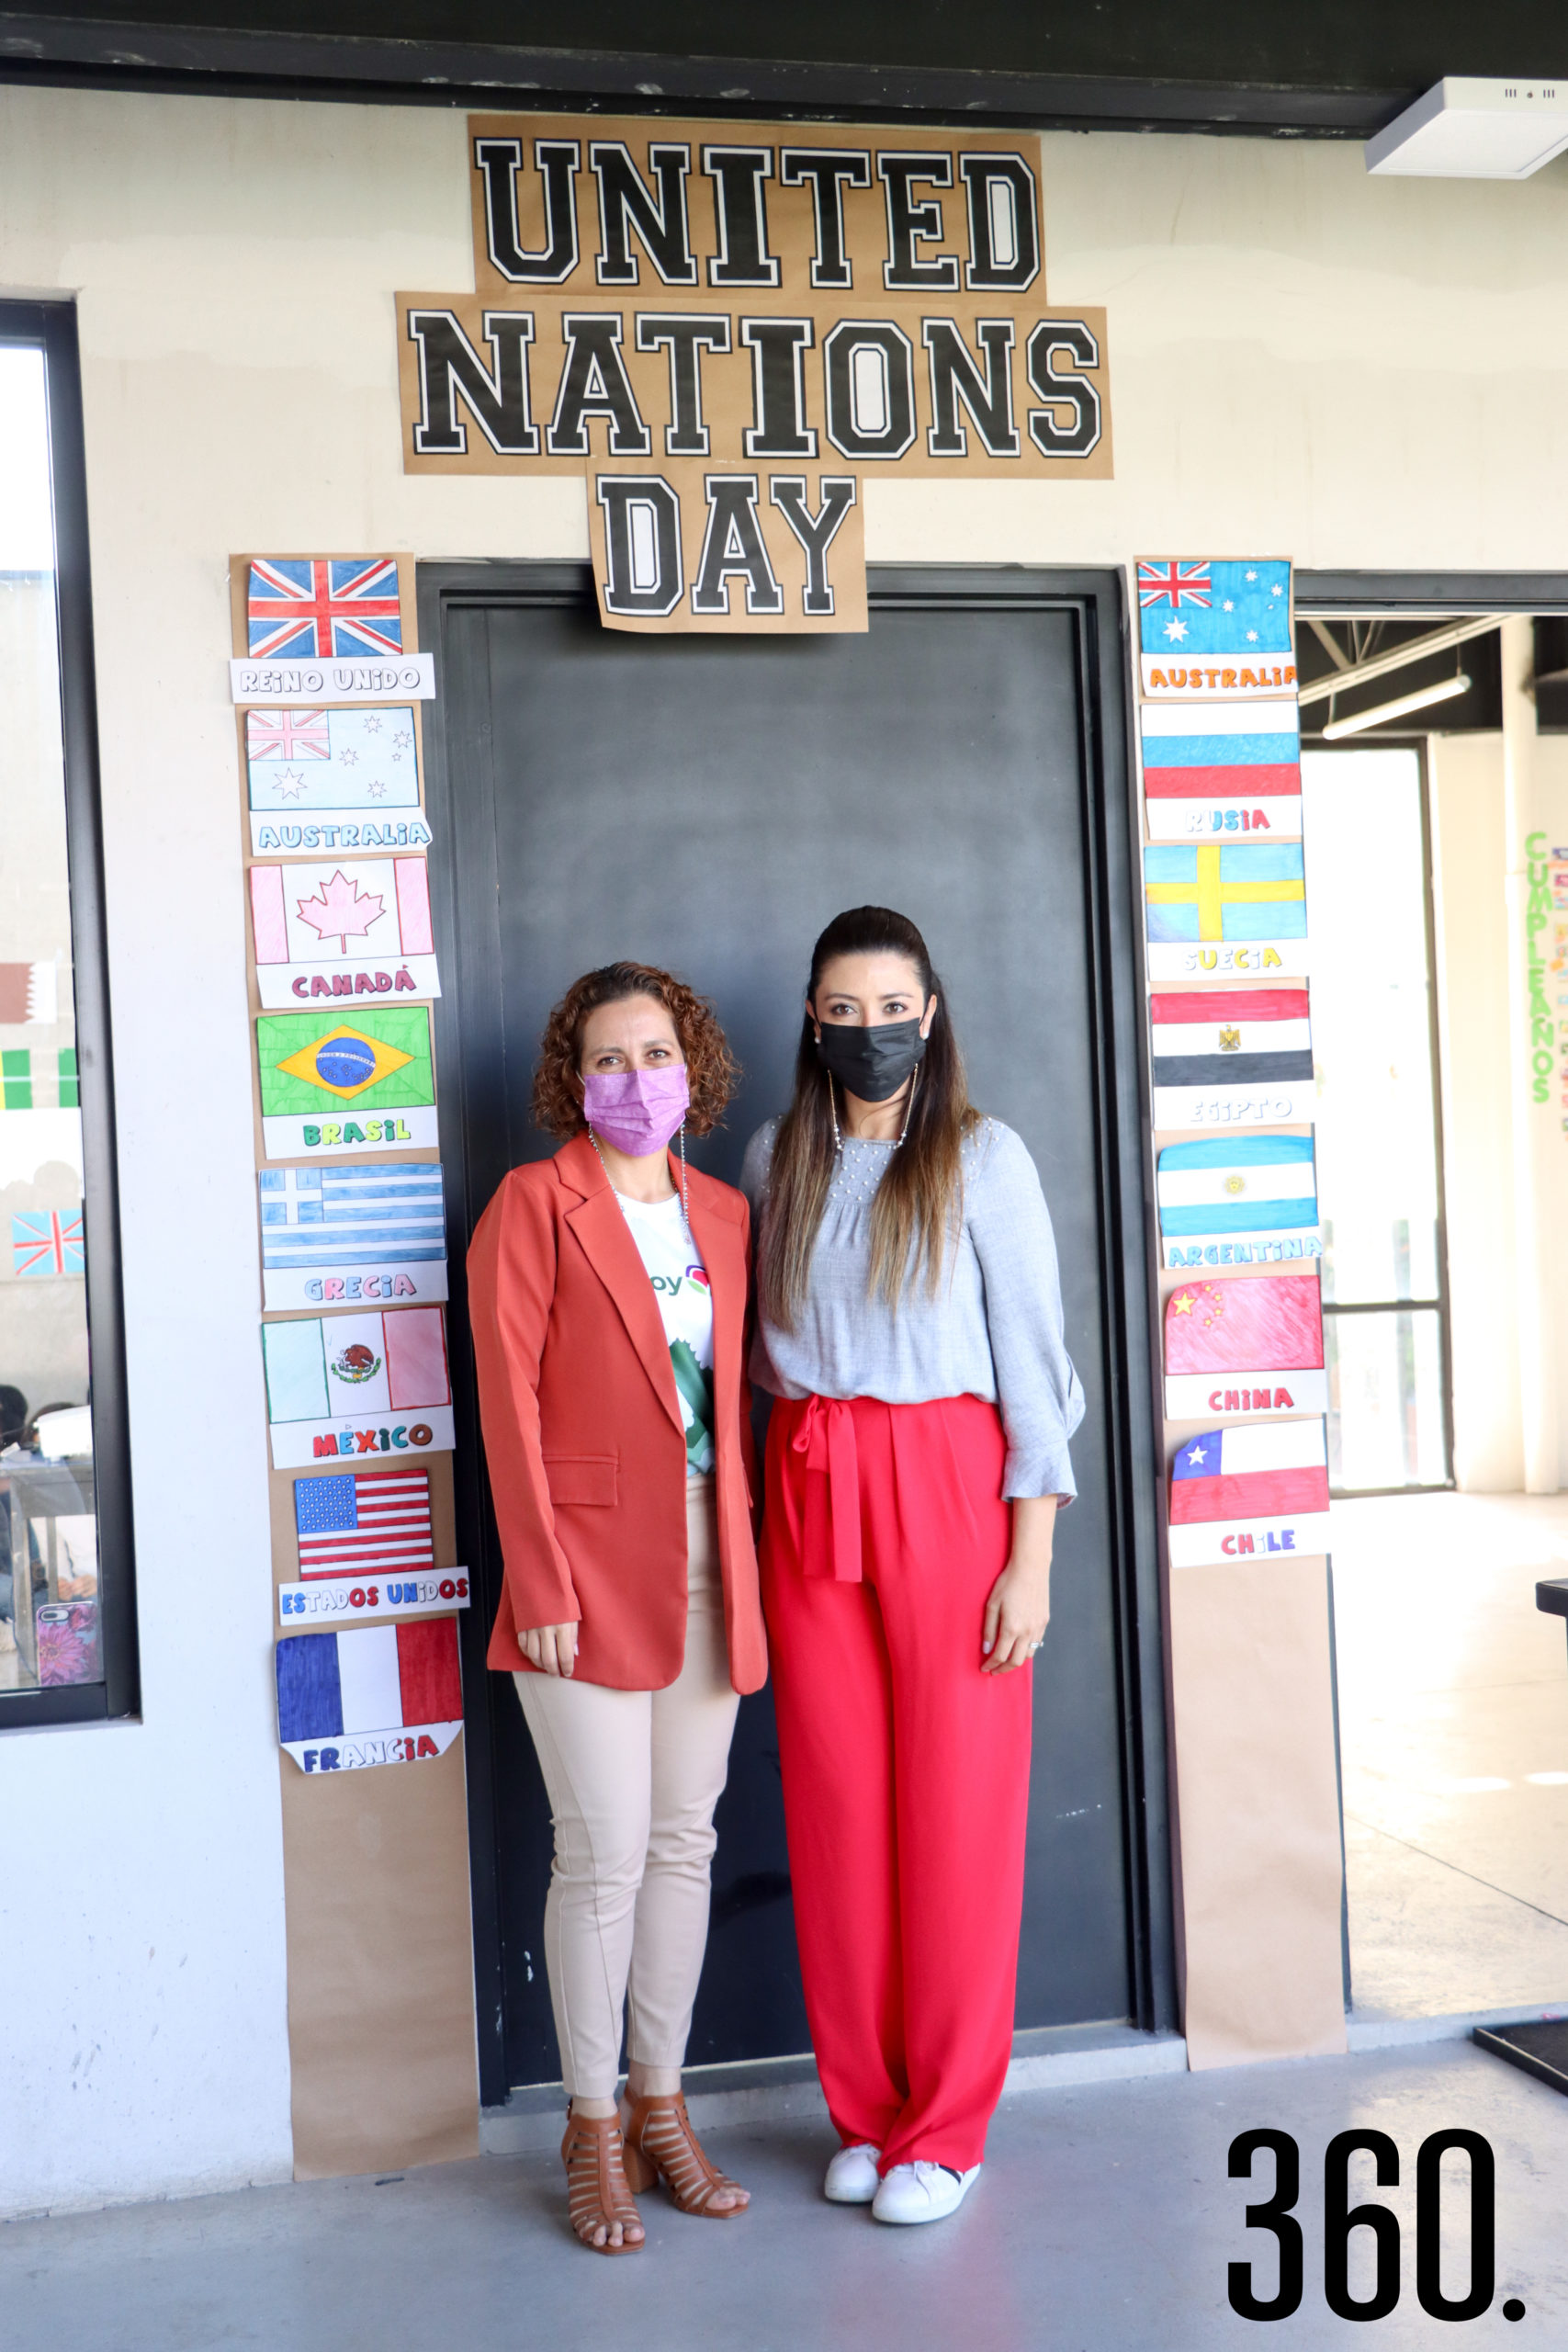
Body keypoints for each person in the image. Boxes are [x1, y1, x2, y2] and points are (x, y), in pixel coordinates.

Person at [741, 905, 1084, 2228]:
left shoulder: (983, 1159)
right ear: (813, 1020)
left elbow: (1036, 1369)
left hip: (950, 1482)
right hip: (813, 1476)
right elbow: (766, 1346)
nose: (871, 1031)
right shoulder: (782, 1157)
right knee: (837, 1809)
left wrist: (1030, 1559)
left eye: (894, 1009)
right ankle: (867, 2112)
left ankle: (944, 2127)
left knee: (955, 1812)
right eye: (845, 1009)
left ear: (930, 1015)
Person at [468, 961, 766, 2255]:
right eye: (608, 1060)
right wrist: (536, 1577)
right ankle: (591, 2129)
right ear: (571, 1078)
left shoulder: (726, 1213)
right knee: (601, 1852)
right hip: (581, 1572)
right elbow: (507, 1405)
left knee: (685, 1842)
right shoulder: (533, 1206)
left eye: (655, 1055)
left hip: (714, 1560)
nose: (633, 1081)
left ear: (690, 1068)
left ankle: (661, 2108)